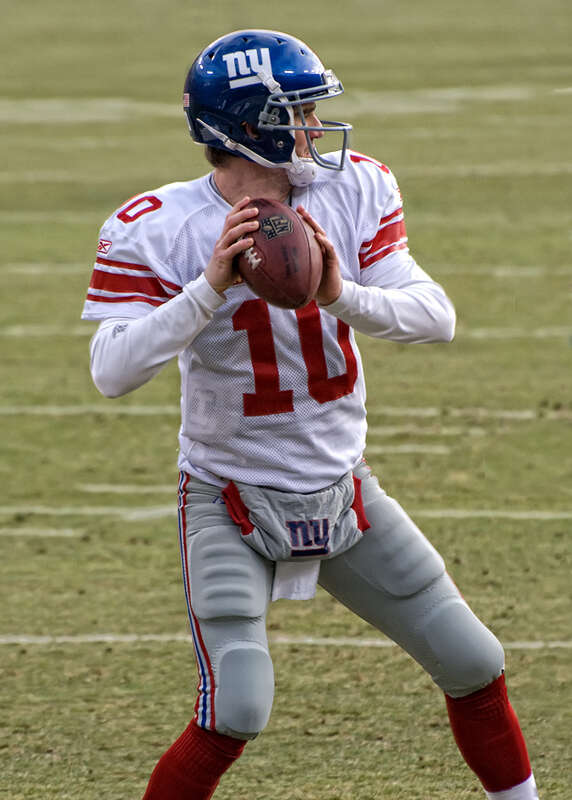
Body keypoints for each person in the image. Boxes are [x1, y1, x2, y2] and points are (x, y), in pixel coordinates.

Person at [81, 29, 540, 800]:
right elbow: (112, 373)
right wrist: (207, 290)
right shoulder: (154, 224)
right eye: (297, 112)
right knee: (238, 705)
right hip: (230, 495)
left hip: (341, 485)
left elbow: (437, 317)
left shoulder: (354, 189)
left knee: (472, 659)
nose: (315, 127)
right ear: (246, 124)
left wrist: (339, 293)